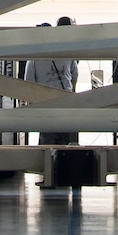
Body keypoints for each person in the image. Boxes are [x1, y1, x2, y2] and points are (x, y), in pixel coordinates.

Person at [25, 16, 78, 146]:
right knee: (68, 144)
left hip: (45, 105)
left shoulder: (33, 58)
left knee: (47, 144)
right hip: (66, 102)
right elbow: (74, 76)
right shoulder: (67, 52)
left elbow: (28, 84)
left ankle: (48, 164)